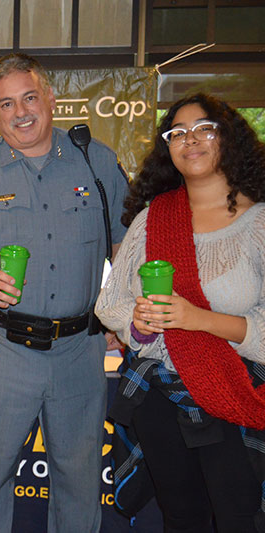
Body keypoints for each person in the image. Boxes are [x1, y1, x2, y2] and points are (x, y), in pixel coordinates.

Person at [0, 53, 129, 532]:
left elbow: (123, 247)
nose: (20, 112)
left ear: (51, 99)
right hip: (4, 352)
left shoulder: (95, 160)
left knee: (79, 482)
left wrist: (122, 313)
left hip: (80, 351)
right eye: (5, 104)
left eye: (29, 98)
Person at [96, 93, 265, 532]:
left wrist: (197, 319)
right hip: (161, 395)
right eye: (178, 133)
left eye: (205, 128)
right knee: (181, 516)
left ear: (228, 138)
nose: (191, 140)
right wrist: (139, 322)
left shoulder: (260, 225)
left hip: (234, 391)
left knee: (238, 517)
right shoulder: (153, 218)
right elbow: (110, 302)